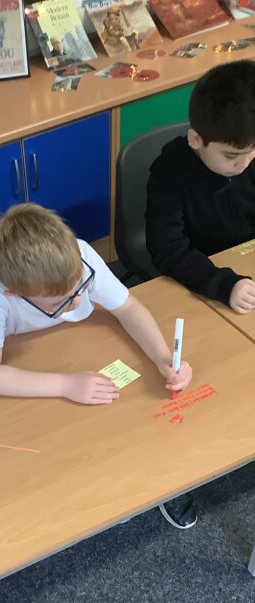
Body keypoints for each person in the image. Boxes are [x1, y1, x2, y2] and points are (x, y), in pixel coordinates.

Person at [0, 203, 192, 489]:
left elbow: (128, 308)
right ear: (15, 293)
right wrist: (66, 385)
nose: (76, 302)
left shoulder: (81, 255)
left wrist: (162, 358)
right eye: (60, 301)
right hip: (31, 368)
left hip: (79, 345)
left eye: (80, 288)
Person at [146, 59, 255, 529]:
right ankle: (174, 477)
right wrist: (223, 284)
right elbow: (166, 248)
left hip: (244, 275)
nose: (244, 163)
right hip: (196, 284)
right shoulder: (171, 170)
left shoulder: (249, 152)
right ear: (196, 140)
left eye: (251, 152)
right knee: (189, 386)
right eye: (232, 157)